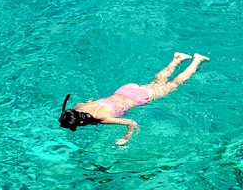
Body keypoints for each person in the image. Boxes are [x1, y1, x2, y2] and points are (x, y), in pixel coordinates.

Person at [58, 52, 210, 145]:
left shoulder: (103, 118)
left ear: (81, 122)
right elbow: (90, 100)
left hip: (136, 98)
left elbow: (131, 123)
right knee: (157, 83)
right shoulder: (79, 106)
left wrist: (125, 139)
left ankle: (197, 59)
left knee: (176, 83)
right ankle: (177, 59)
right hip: (124, 90)